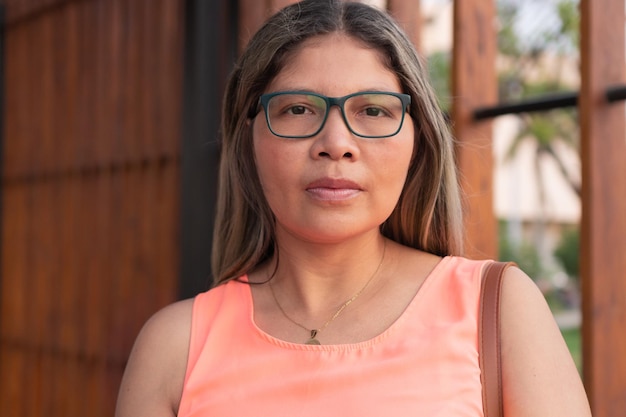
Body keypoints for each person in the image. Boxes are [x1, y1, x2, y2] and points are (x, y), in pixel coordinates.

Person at [115, 1, 591, 416]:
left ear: (417, 140)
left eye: (374, 110)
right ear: (249, 137)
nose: (336, 144)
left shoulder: (500, 308)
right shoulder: (174, 348)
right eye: (298, 109)